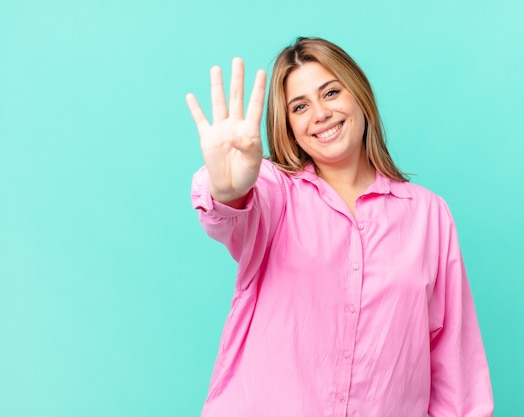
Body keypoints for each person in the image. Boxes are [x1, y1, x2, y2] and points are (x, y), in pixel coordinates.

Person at [186, 37, 494, 417]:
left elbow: (455, 368)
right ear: (289, 126)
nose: (320, 113)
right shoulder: (272, 190)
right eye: (300, 106)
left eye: (330, 92)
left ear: (359, 94)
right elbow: (228, 210)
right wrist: (227, 187)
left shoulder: (429, 214)